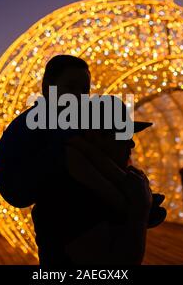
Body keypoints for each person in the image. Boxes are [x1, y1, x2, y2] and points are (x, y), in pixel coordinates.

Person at [59, 95, 164, 264]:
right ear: (96, 137)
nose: (132, 144)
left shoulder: (105, 184)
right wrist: (139, 211)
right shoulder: (71, 194)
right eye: (124, 134)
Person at [0, 55, 91, 208]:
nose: (79, 96)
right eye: (71, 87)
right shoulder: (42, 121)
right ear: (47, 88)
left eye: (85, 90)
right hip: (24, 190)